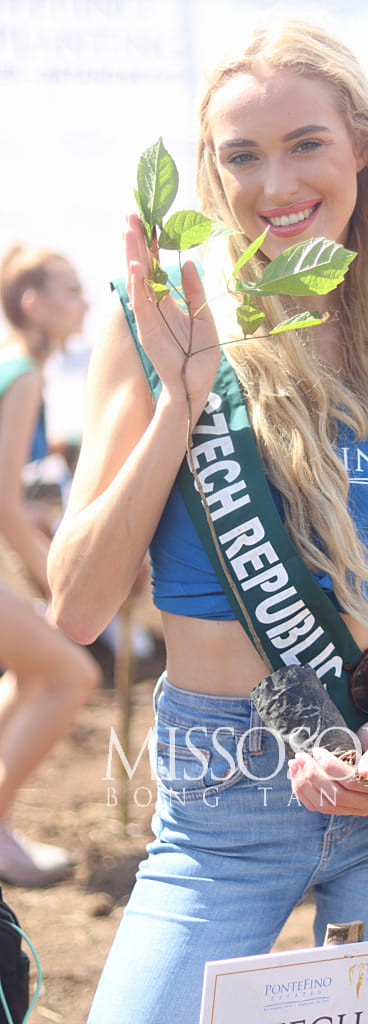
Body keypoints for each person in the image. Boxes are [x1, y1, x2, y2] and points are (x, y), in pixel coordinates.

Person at [48, 19, 368, 1021]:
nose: (273, 184)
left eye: (304, 144)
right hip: (219, 799)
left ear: (358, 145)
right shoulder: (152, 324)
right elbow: (76, 607)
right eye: (242, 155)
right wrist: (182, 400)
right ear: (212, 170)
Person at [0, 245, 101, 886]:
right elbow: (3, 498)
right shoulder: (24, 373)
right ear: (33, 303)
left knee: (37, 676)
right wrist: (54, 578)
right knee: (73, 674)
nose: (85, 301)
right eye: (70, 290)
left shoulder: (19, 367)